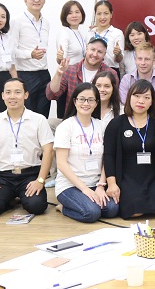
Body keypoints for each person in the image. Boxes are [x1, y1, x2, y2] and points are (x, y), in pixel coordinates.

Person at [0, 78, 53, 217]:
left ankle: (18, 198)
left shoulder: (39, 120)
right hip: (3, 176)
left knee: (37, 206)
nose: (12, 96)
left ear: (26, 95)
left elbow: (48, 151)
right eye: (8, 92)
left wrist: (40, 180)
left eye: (17, 92)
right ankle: (9, 199)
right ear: (2, 96)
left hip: (30, 175)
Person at [103, 79, 155, 219]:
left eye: (146, 97)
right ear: (129, 97)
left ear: (152, 101)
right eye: (137, 96)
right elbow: (109, 155)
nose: (141, 101)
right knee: (135, 211)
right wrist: (112, 184)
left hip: (152, 176)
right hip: (127, 177)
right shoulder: (116, 124)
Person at [53, 82, 119, 222]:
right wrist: (84, 189)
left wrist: (101, 186)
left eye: (90, 100)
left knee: (112, 209)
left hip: (95, 183)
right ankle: (63, 207)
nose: (86, 103)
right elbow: (61, 164)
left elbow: (107, 158)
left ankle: (84, 203)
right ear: (74, 101)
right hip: (70, 185)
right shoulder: (65, 127)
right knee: (91, 213)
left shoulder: (101, 126)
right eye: (82, 99)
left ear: (96, 103)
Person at [9, 0, 52, 117]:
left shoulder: (46, 23)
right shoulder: (17, 21)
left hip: (44, 73)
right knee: (27, 115)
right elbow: (11, 51)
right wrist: (30, 54)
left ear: (44, 0)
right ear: (25, 0)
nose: (36, 0)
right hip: (26, 75)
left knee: (43, 116)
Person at [46, 37, 117, 112]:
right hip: (74, 116)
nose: (95, 54)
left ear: (104, 54)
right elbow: (51, 95)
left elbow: (114, 100)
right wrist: (58, 74)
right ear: (86, 49)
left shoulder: (111, 73)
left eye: (100, 52)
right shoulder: (70, 70)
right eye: (92, 49)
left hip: (99, 116)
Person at [91, 0, 124, 75]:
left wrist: (118, 54)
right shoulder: (90, 33)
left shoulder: (117, 33)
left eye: (106, 13)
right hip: (92, 71)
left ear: (111, 14)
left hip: (111, 72)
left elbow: (119, 60)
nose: (102, 17)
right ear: (95, 15)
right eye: (99, 14)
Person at [55, 0, 89, 66]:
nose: (74, 15)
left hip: (81, 70)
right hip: (70, 71)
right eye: (70, 13)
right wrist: (59, 58)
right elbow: (61, 60)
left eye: (77, 12)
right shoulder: (64, 33)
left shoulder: (80, 33)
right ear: (65, 16)